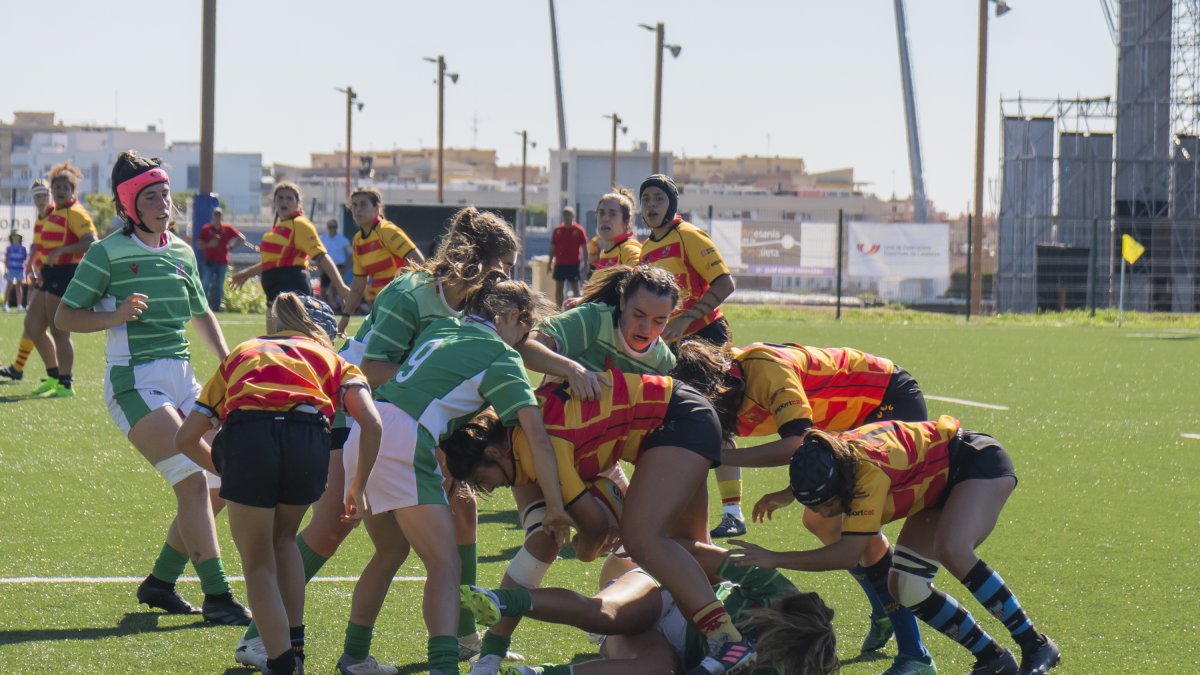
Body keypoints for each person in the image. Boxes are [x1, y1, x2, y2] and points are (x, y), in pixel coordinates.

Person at [232, 206, 526, 671]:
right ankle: (263, 638)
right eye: (502, 267)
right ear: (474, 259)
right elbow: (370, 372)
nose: (505, 277)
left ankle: (461, 635)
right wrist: (428, 411)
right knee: (332, 525)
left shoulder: (472, 306)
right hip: (349, 410)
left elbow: (498, 353)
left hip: (395, 420)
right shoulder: (411, 293)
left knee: (458, 510)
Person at [441, 365, 758, 675]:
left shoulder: (543, 447)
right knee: (674, 543)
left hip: (680, 421)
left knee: (644, 540)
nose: (492, 488)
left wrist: (585, 547)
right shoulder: (525, 439)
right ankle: (493, 648)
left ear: (495, 453)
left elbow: (594, 527)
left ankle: (726, 639)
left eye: (483, 479)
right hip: (677, 420)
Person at [337, 277, 572, 675]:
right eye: (524, 332)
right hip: (403, 439)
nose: (522, 342)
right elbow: (537, 438)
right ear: (511, 316)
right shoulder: (502, 355)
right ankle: (444, 667)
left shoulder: (443, 325)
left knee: (390, 551)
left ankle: (355, 656)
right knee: (445, 564)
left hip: (365, 428)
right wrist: (554, 506)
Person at [54, 151, 250, 626]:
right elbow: (64, 317)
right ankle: (218, 595)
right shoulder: (105, 253)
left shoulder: (182, 252)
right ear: (129, 205)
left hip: (183, 378)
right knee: (192, 480)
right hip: (134, 382)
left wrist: (226, 367)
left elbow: (202, 314)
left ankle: (161, 583)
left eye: (165, 193)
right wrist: (114, 316)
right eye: (151, 196)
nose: (163, 203)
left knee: (225, 479)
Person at [672, 339, 935, 674]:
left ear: (716, 386)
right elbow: (811, 440)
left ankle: (916, 655)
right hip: (837, 433)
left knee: (861, 535)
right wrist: (790, 489)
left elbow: (796, 443)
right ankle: (884, 605)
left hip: (885, 403)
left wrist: (717, 457)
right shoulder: (732, 384)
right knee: (820, 522)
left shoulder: (765, 369)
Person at [725, 419, 1062, 675]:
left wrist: (773, 558)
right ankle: (993, 659)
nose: (825, 513)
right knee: (905, 586)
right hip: (937, 489)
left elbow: (847, 553)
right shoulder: (834, 456)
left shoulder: (866, 475)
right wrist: (788, 493)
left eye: (828, 503)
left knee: (953, 549)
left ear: (842, 486)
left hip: (975, 463)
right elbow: (815, 462)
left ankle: (1035, 644)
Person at [177, 293, 383, 675]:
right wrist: (358, 485)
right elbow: (371, 423)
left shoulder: (243, 352)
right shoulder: (334, 359)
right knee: (285, 540)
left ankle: (283, 663)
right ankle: (296, 650)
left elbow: (186, 438)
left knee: (258, 563)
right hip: (308, 441)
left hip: (249, 438)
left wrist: (232, 474)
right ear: (320, 330)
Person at [459, 543, 838, 675]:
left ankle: (532, 673)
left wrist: (710, 668)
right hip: (669, 595)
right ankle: (497, 599)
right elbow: (692, 555)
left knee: (659, 670)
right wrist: (654, 546)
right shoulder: (776, 589)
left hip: (661, 649)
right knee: (605, 612)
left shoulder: (780, 665)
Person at [516, 265, 679, 398]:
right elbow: (526, 347)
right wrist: (572, 370)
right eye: (638, 315)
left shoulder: (664, 362)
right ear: (622, 302)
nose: (646, 328)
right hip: (554, 428)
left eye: (659, 321)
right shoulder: (594, 319)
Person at [230, 182, 350, 326]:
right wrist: (246, 273)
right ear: (274, 202)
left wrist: (341, 286)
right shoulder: (276, 230)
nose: (284, 201)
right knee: (276, 342)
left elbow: (321, 257)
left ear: (298, 203)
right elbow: (273, 263)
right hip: (273, 290)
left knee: (293, 341)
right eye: (280, 198)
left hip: (293, 286)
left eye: (289, 198)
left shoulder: (300, 224)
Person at [637, 174, 735, 345]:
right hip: (668, 342)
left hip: (705, 335)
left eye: (659, 198)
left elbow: (725, 284)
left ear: (672, 203)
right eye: (645, 199)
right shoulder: (645, 248)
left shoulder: (688, 234)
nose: (651, 204)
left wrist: (685, 320)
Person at [27, 162, 98, 397]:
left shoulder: (76, 212)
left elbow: (91, 240)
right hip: (49, 274)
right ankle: (54, 376)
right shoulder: (54, 211)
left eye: (65, 188)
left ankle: (66, 384)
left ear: (72, 191)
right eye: (56, 187)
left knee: (60, 330)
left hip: (66, 272)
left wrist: (61, 252)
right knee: (33, 327)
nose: (59, 191)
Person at [336, 186, 424, 335]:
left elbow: (418, 261)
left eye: (363, 204)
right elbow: (358, 284)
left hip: (400, 305)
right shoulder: (358, 240)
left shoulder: (387, 230)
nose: (357, 210)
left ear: (377, 208)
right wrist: (345, 316)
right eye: (354, 205)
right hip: (381, 306)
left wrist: (398, 293)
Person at [0, 182, 55, 382]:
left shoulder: (57, 216)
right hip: (46, 276)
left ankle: (62, 378)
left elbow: (85, 240)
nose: (41, 199)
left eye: (44, 195)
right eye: (37, 196)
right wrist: (32, 267)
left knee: (55, 330)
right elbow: (38, 248)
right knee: (33, 324)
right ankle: (24, 369)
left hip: (59, 277)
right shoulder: (40, 220)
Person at [196, 207, 251, 312]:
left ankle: (216, 308)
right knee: (206, 283)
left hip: (222, 261)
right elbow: (199, 245)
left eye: (219, 215)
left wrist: (232, 246)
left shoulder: (227, 228)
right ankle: (204, 307)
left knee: (219, 286)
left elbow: (242, 238)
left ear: (221, 216)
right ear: (212, 216)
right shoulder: (206, 229)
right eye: (215, 215)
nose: (217, 217)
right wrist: (209, 244)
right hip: (209, 261)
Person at [593, 188, 641, 271]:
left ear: (626, 221)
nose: (605, 219)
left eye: (612, 214)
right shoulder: (605, 253)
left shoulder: (629, 251)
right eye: (601, 213)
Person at [548, 207, 587, 306]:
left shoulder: (578, 230)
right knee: (559, 288)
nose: (567, 217)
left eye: (569, 215)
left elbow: (585, 248)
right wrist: (549, 263)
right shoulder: (557, 230)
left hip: (573, 264)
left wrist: (586, 264)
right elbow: (553, 248)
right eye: (565, 215)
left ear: (573, 216)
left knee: (575, 287)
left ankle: (578, 308)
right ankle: (557, 309)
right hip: (560, 263)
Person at [321, 217, 353, 307]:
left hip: (339, 267)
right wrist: (319, 267)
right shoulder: (323, 238)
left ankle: (339, 306)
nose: (332, 229)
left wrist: (347, 267)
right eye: (330, 227)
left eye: (334, 227)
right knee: (323, 289)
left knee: (335, 287)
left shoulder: (343, 240)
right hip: (326, 267)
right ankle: (324, 306)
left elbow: (350, 254)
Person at [4, 231, 28, 312]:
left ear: (20, 238)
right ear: (11, 237)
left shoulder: (23, 248)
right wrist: (5, 270)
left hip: (20, 269)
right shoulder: (9, 248)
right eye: (14, 236)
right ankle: (5, 305)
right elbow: (6, 260)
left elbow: (25, 260)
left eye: (17, 236)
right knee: (8, 287)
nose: (16, 237)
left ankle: (19, 305)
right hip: (10, 269)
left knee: (18, 287)